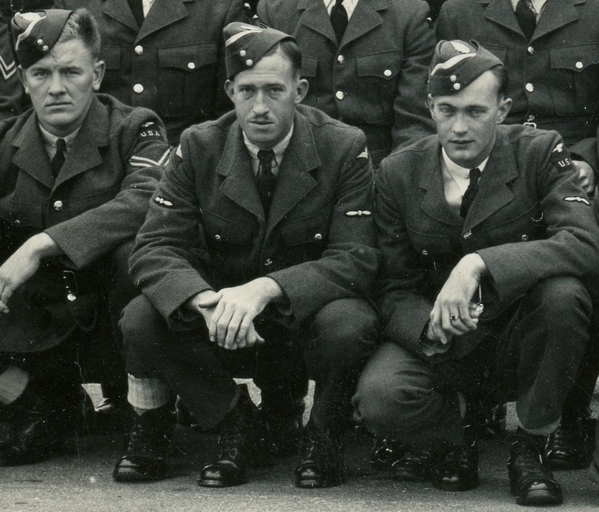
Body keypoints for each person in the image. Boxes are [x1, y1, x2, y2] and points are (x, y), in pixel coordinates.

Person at [111, 22, 379, 489]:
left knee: (349, 323)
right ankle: (235, 420)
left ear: (300, 91)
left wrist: (266, 289)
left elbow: (356, 257)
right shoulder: (198, 145)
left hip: (296, 314)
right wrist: (201, 300)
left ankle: (323, 435)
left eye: (274, 90)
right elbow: (154, 245)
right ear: (230, 91)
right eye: (247, 91)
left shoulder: (343, 146)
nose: (259, 107)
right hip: (222, 316)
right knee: (141, 318)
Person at [352, 39, 599, 506]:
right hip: (442, 339)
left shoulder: (539, 151)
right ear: (430, 107)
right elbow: (391, 283)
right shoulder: (398, 172)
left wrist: (479, 263)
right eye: (447, 110)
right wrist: (428, 328)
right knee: (381, 397)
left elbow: (584, 243)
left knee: (564, 295)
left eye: (475, 111)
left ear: (503, 109)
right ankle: (454, 438)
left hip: (519, 333)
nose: (459, 127)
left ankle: (531, 445)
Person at [0, 8, 170, 465]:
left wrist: (40, 244)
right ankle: (33, 398)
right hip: (35, 326)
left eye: (70, 72)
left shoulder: (135, 128)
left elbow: (148, 197)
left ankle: (150, 418)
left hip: (110, 323)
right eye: (41, 74)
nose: (56, 88)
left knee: (136, 254)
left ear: (96, 74)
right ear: (24, 81)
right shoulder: (6, 141)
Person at [436, 0, 599, 469]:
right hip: (491, 162)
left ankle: (568, 411)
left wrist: (589, 158)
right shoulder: (461, 10)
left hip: (578, 171)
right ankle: (479, 398)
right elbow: (438, 101)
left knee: (578, 270)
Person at [256, 0, 435, 166]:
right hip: (300, 166)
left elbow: (415, 124)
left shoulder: (408, 13)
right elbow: (266, 109)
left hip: (377, 167)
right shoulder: (276, 11)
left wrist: (392, 178)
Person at [53, 0, 247, 145]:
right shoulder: (72, 4)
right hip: (101, 168)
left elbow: (228, 117)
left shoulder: (220, 6)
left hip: (182, 167)